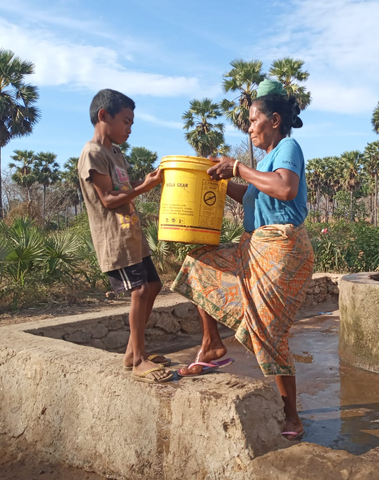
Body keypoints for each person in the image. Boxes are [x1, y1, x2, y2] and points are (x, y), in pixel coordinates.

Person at [171, 79, 314, 440]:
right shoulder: (265, 161)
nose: (249, 127)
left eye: (253, 120)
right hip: (254, 245)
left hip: (281, 249)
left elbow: (284, 189)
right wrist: (219, 179)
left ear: (275, 120)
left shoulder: (289, 148)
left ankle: (291, 415)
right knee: (199, 264)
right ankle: (212, 344)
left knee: (267, 330)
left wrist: (237, 168)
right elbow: (252, 195)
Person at [78, 88, 173, 384]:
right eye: (126, 121)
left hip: (131, 234)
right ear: (104, 116)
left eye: (132, 123)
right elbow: (108, 198)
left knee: (154, 285)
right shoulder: (92, 153)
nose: (129, 128)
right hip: (114, 238)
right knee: (140, 291)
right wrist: (144, 188)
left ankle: (134, 352)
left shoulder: (115, 153)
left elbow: (121, 185)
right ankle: (139, 361)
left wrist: (145, 182)